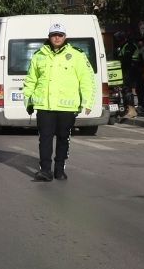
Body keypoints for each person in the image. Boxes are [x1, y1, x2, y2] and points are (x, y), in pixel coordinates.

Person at [23, 22, 95, 182]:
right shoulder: (38, 55)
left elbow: (87, 80)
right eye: (54, 35)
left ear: (65, 37)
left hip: (67, 107)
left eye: (60, 35)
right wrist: (27, 100)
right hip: (44, 106)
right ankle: (46, 171)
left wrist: (88, 102)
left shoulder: (77, 55)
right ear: (49, 37)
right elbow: (30, 80)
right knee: (45, 139)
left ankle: (59, 169)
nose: (57, 38)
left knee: (63, 138)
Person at [117, 32, 141, 118]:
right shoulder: (125, 46)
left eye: (119, 40)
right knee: (125, 90)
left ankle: (132, 110)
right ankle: (127, 109)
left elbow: (126, 59)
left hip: (130, 70)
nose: (118, 42)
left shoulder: (129, 46)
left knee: (128, 90)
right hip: (127, 70)